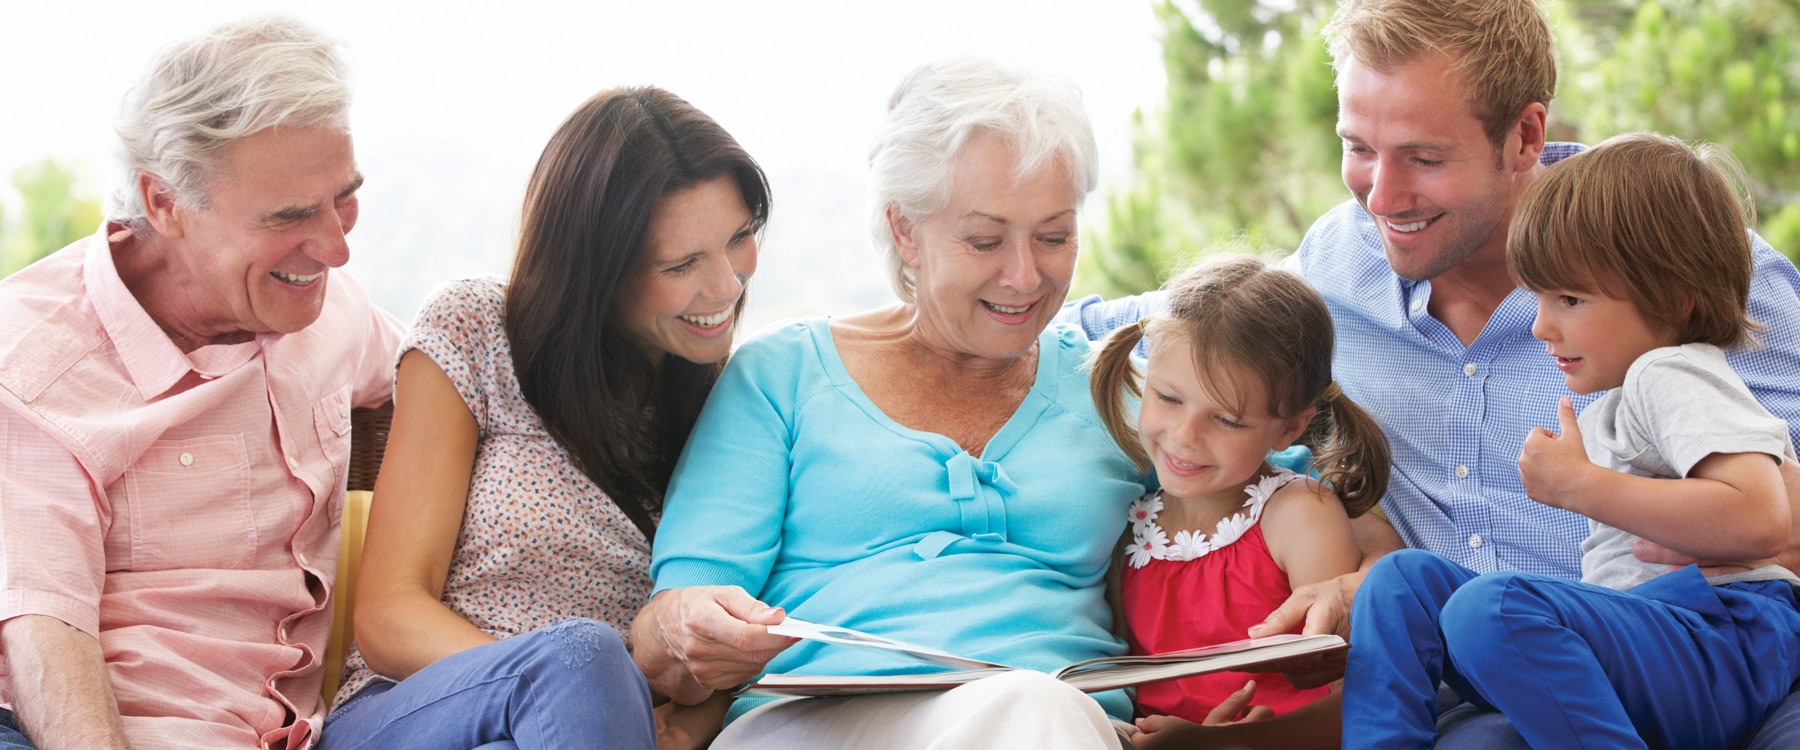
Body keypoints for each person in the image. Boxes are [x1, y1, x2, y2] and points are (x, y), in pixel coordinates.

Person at [1059, 0, 1800, 745]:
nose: (1381, 197)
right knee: (1420, 612)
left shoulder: (1671, 264)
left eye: (1425, 158)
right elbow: (1151, 321)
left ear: (1525, 136)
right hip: (1482, 686)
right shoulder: (1335, 268)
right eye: (1358, 147)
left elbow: (1767, 509)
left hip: (1704, 656)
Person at [631, 57, 1148, 749]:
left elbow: (1265, 481)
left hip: (1062, 722)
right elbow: (665, 631)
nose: (1026, 276)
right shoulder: (782, 376)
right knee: (1036, 710)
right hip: (815, 726)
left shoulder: (1119, 390)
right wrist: (691, 626)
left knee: (1039, 710)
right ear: (904, 230)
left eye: (1054, 236)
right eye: (985, 240)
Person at [318, 87, 771, 750]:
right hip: (417, 709)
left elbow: (752, 634)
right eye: (681, 265)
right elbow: (390, 613)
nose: (728, 285)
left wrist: (683, 725)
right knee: (586, 655)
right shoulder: (477, 331)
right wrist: (569, 684)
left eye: (739, 238)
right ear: (596, 270)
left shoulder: (743, 404)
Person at [0, 16, 402, 750]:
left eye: (343, 197)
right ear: (164, 203)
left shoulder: (327, 311)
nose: (336, 247)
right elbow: (42, 629)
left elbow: (459, 378)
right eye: (291, 216)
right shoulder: (28, 365)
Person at [1346, 132, 1799, 749]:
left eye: (1570, 299)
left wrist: (1581, 486)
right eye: (1538, 297)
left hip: (1727, 637)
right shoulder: (1630, 390)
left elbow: (1762, 517)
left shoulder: (1672, 372)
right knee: (1400, 583)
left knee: (1491, 608)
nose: (1541, 326)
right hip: (1659, 635)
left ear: (1674, 299)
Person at [1089, 255, 1389, 748]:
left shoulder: (1300, 516)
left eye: (1227, 420)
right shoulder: (1130, 531)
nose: (1184, 436)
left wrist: (1222, 743)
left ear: (1291, 428)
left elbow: (1361, 701)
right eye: (1168, 398)